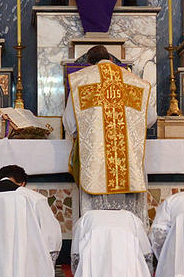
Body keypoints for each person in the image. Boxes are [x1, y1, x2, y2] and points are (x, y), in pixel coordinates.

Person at [62, 45, 156, 220]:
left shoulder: (81, 80)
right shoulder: (134, 81)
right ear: (111, 59)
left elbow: (71, 124)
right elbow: (150, 118)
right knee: (129, 220)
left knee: (97, 218)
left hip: (96, 162)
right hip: (129, 162)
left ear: (90, 63)